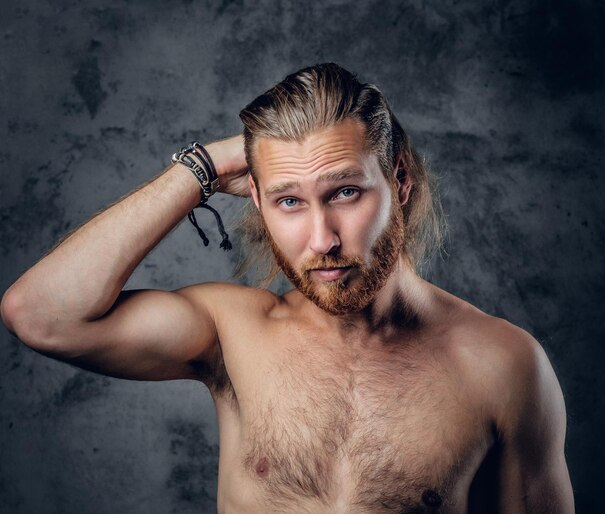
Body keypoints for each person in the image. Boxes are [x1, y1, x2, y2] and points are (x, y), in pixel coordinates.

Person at [1, 63, 574, 513]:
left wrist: (283, 173)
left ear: (399, 179)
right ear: (257, 200)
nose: (321, 238)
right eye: (289, 201)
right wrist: (200, 167)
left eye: (345, 192)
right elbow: (41, 315)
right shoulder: (233, 332)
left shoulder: (503, 365)